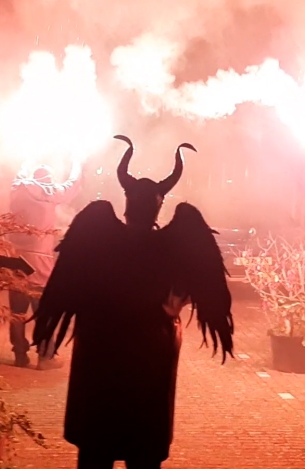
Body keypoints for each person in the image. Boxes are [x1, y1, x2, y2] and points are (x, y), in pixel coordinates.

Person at [32, 136, 235, 469]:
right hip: (150, 350)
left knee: (96, 447)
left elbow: (70, 281)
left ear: (127, 204)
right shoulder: (172, 241)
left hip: (100, 347)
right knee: (144, 448)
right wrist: (176, 303)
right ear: (158, 205)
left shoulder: (98, 229)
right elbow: (193, 285)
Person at [7, 162, 82, 369]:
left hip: (17, 260)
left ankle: (20, 355)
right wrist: (77, 162)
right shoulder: (51, 192)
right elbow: (72, 185)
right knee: (44, 312)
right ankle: (44, 356)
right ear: (48, 180)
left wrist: (25, 158)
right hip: (40, 263)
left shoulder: (19, 188)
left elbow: (19, 172)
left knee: (17, 313)